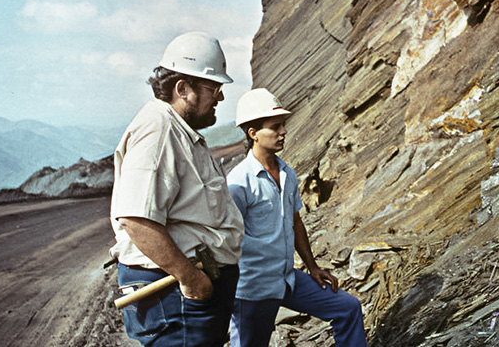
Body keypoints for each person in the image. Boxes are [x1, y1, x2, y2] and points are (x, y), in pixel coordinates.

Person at [109, 31, 244, 347]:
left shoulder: (178, 131)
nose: (220, 98)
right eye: (214, 88)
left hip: (184, 294)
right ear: (183, 89)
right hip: (174, 294)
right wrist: (190, 277)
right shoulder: (158, 131)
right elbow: (136, 219)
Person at [226, 88, 368, 347]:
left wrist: (312, 267)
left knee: (347, 308)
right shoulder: (238, 182)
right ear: (253, 133)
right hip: (252, 290)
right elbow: (225, 238)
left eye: (284, 125)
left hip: (287, 278)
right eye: (275, 126)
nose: (284, 132)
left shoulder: (287, 173)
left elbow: (295, 222)